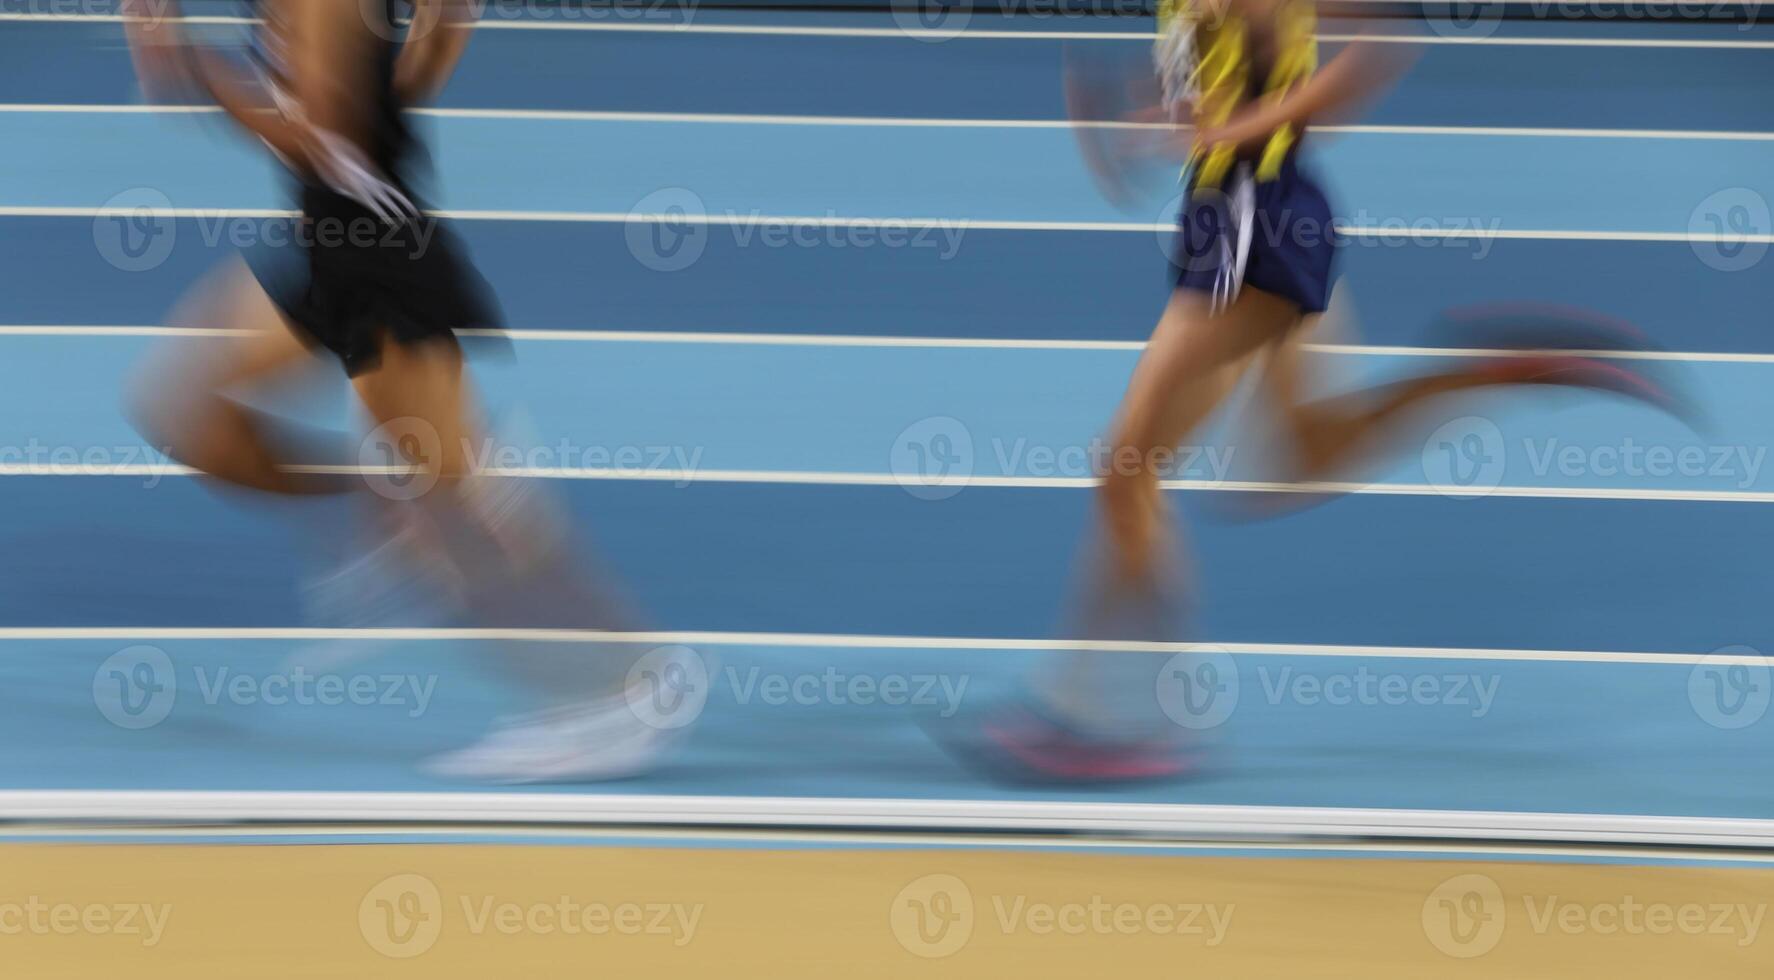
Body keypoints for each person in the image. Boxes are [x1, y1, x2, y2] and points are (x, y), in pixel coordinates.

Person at [931, 0, 1677, 782]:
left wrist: (1240, 131)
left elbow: (1381, 42)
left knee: (1126, 468)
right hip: (1256, 214)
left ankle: (1128, 719)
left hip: (1258, 223)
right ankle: (1487, 369)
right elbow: (1242, 80)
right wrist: (1178, 120)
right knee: (1302, 453)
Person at [120, 0, 694, 781]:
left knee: (454, 507)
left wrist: (185, 61)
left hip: (378, 265)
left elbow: (322, 142)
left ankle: (620, 689)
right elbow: (405, 80)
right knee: (186, 415)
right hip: (328, 249)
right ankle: (384, 508)